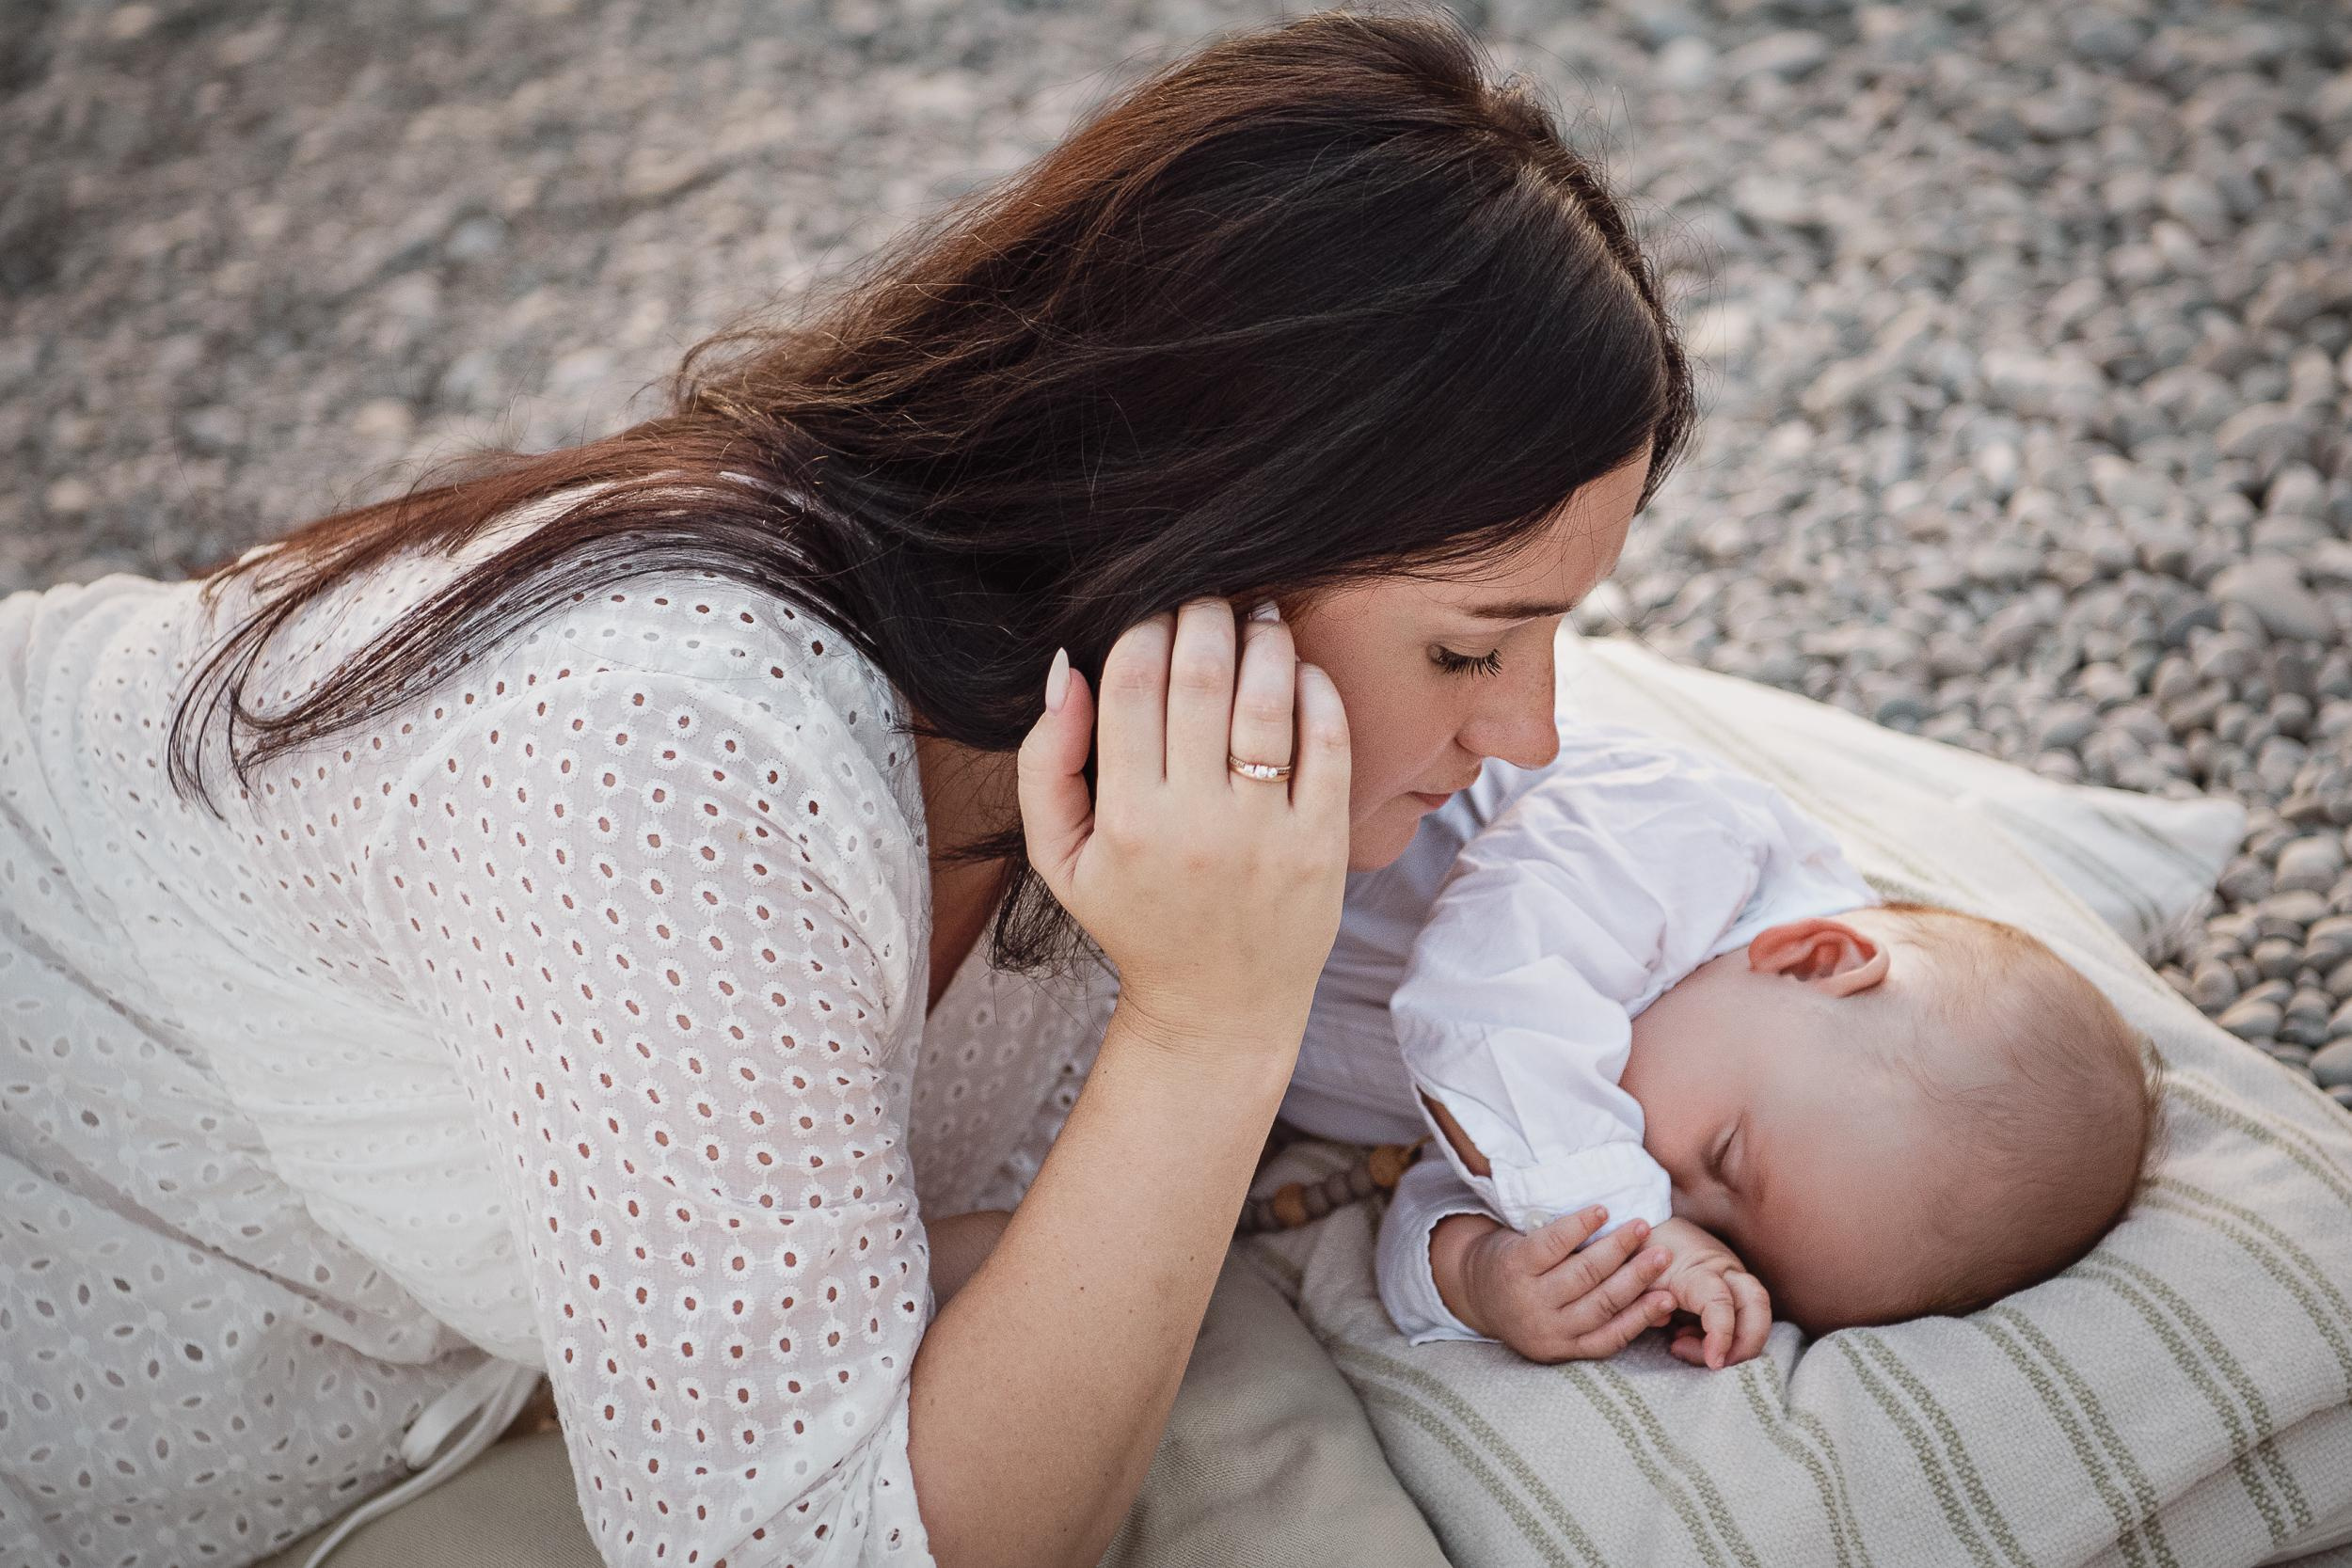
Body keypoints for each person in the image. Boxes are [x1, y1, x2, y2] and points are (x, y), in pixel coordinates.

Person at [0, 9, 1701, 1568]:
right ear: (1201, 541)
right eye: (1477, 652)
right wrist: (1212, 1025)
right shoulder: (661, 757)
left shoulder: (1113, 732)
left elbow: (1664, 939)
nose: (1531, 731)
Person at [1280, 716, 2163, 1371]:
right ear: (1814, 959)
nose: (1670, 1194)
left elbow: (1461, 1175)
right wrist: (1633, 1228)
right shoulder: (1681, 831)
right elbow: (1477, 1005)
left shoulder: (1571, 1149)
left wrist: (1487, 1274)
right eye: (1724, 1153)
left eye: (1720, 1235)